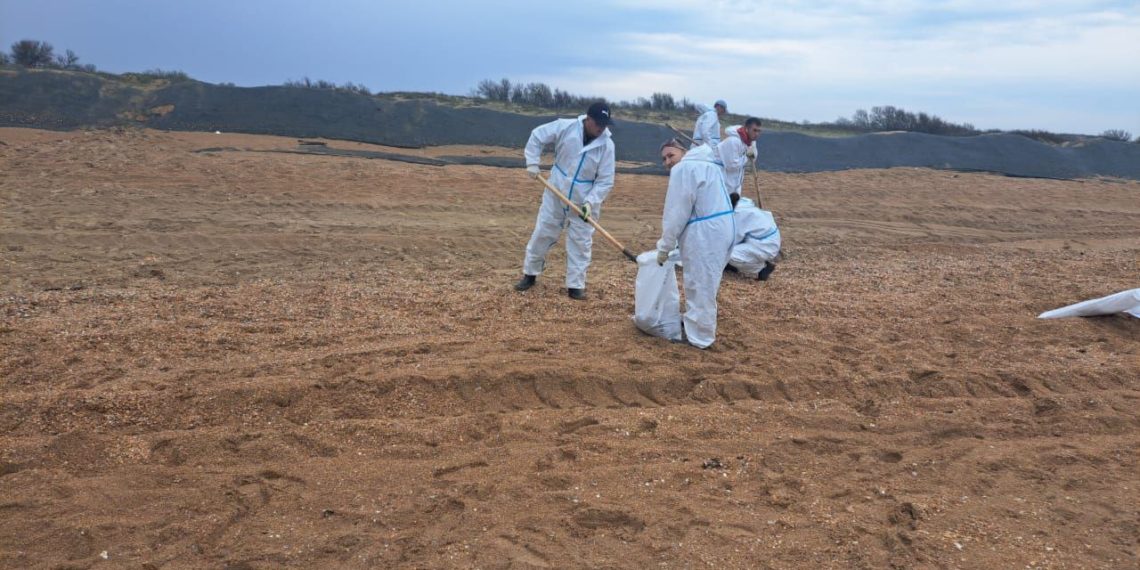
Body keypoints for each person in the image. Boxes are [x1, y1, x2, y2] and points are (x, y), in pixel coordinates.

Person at [515, 102, 616, 300]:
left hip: (583, 202)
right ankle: (530, 274)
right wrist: (532, 163)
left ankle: (575, 286)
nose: (602, 128)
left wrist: (590, 202)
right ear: (588, 119)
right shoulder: (565, 127)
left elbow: (605, 180)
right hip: (556, 192)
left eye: (605, 125)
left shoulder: (607, 146)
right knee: (543, 232)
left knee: (581, 242)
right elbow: (537, 135)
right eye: (599, 124)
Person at [654, 138, 736, 348]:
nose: (667, 162)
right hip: (724, 227)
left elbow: (676, 212)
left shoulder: (684, 169)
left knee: (700, 284)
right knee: (707, 282)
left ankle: (701, 338)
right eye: (664, 159)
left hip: (707, 232)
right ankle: (696, 322)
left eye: (671, 155)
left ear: (683, 151)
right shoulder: (709, 164)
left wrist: (665, 246)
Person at [727, 194, 780, 281]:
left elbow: (734, 238)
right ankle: (731, 265)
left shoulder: (739, 214)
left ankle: (763, 268)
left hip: (765, 244)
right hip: (761, 238)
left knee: (728, 254)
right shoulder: (742, 205)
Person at [717, 117, 762, 197]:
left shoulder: (750, 142)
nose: (757, 134)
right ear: (747, 129)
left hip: (735, 183)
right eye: (754, 130)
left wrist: (751, 154)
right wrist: (747, 158)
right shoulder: (733, 141)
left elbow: (752, 160)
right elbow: (731, 166)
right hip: (721, 183)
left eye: (759, 131)